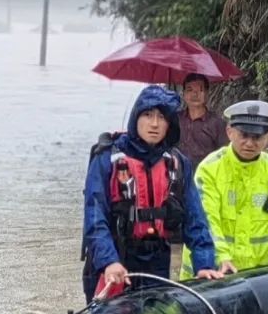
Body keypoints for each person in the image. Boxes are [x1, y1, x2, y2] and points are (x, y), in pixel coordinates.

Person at [82, 85, 223, 301]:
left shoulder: (177, 163)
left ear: (170, 124)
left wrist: (204, 264)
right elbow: (94, 217)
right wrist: (109, 261)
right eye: (148, 115)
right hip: (114, 258)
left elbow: (195, 218)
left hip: (157, 260)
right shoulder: (107, 158)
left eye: (162, 117)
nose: (154, 124)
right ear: (135, 117)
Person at [180, 100, 268, 278]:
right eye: (244, 135)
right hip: (210, 274)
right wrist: (220, 257)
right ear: (229, 132)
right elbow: (206, 220)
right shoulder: (210, 169)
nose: (249, 143)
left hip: (255, 277)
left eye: (257, 137)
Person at [176, 72, 228, 167]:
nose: (195, 94)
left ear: (207, 93)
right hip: (177, 177)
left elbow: (225, 155)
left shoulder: (217, 124)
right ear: (184, 94)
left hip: (204, 178)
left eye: (200, 90)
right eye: (189, 90)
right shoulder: (175, 119)